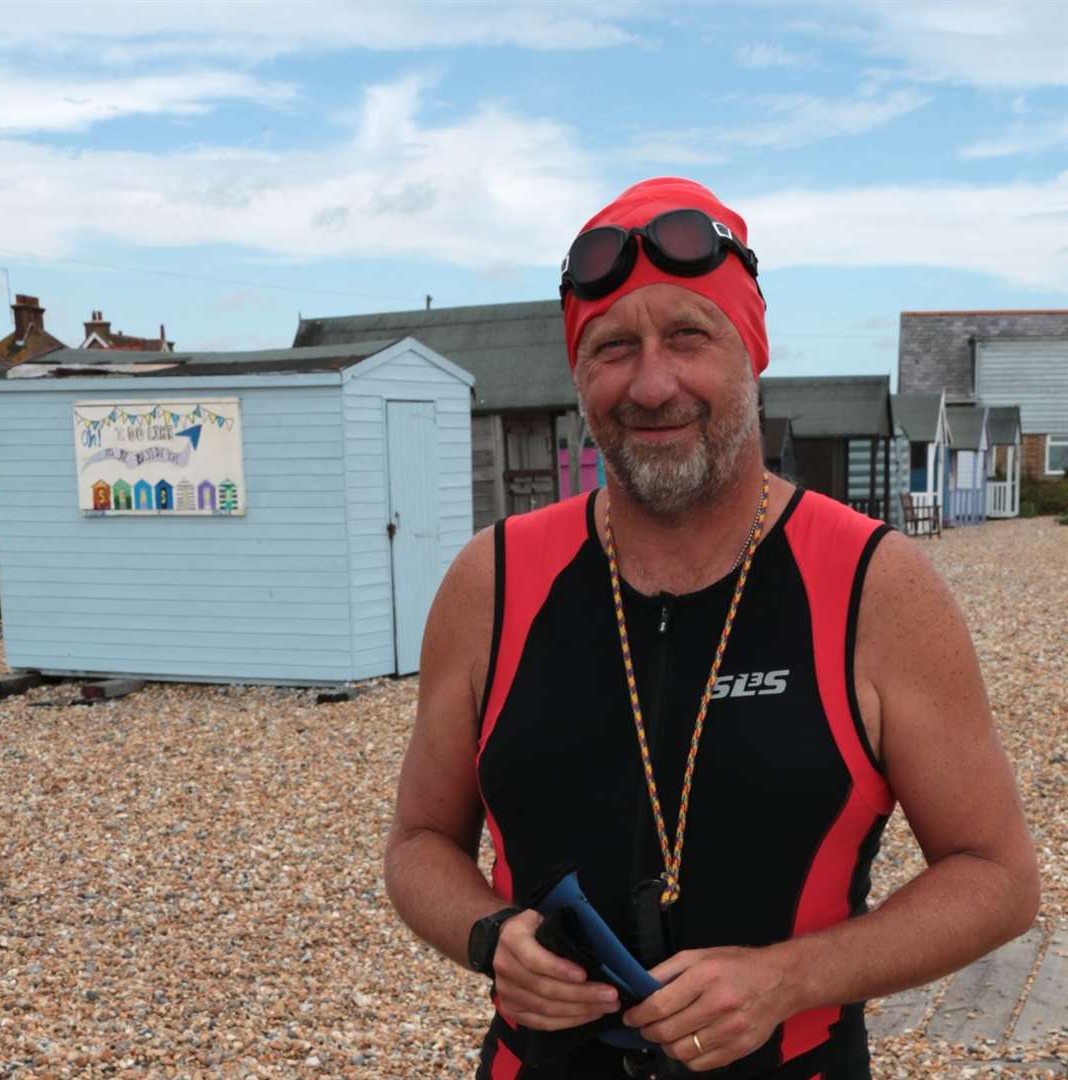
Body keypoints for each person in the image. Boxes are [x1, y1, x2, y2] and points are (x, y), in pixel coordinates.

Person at [384, 177, 1039, 1079]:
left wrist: (789, 978)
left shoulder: (875, 586)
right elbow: (418, 843)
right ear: (579, 376)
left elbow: (997, 875)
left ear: (752, 350)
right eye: (614, 347)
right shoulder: (489, 583)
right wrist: (490, 936)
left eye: (689, 336)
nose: (652, 384)